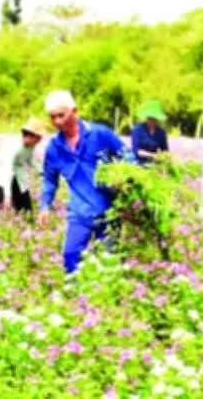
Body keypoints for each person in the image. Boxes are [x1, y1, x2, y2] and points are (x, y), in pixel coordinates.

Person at [38, 90, 131, 274]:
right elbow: (49, 179)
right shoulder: (54, 148)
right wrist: (45, 205)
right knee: (70, 255)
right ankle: (74, 290)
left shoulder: (99, 134)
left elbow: (128, 156)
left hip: (109, 211)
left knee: (109, 263)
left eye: (61, 115)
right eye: (52, 117)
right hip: (80, 212)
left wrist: (126, 183)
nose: (57, 121)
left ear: (75, 111)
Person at [0, 117, 46, 212]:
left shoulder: (31, 145)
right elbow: (7, 171)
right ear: (31, 135)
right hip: (2, 176)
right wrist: (7, 195)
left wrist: (42, 171)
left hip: (18, 175)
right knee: (5, 210)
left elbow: (30, 160)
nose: (40, 140)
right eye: (39, 137)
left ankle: (25, 218)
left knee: (26, 210)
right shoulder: (13, 145)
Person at [131, 100, 169, 165]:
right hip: (138, 163)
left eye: (155, 119)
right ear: (146, 118)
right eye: (150, 118)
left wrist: (164, 157)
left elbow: (165, 151)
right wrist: (152, 155)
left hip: (154, 164)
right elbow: (137, 151)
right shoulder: (137, 130)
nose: (152, 121)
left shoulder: (161, 133)